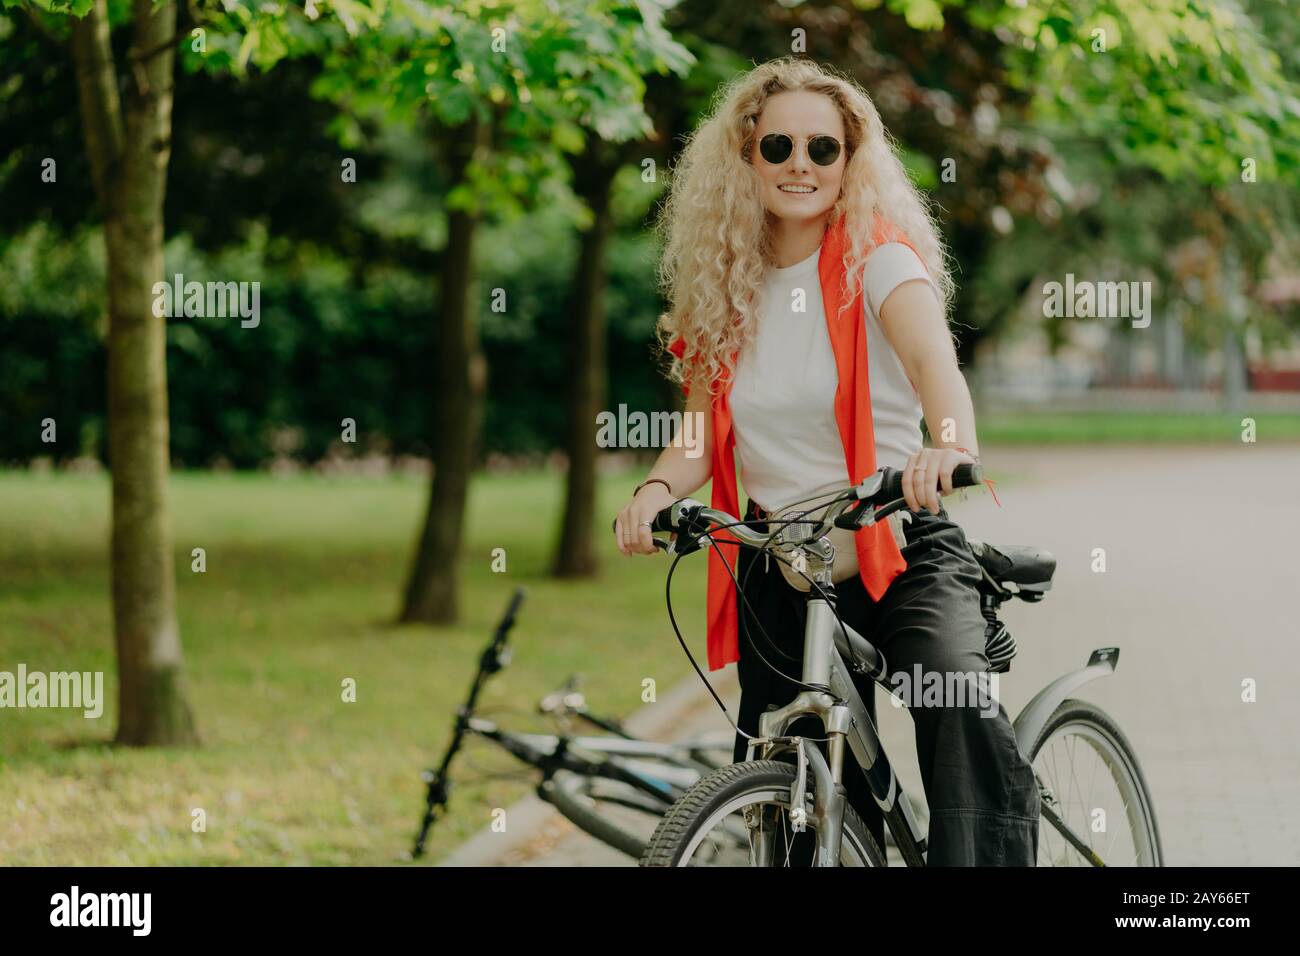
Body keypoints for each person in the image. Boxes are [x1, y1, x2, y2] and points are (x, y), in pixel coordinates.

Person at [613, 57, 1039, 865]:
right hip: (785, 562)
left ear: (851, 159)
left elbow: (936, 373)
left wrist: (948, 448)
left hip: (897, 543)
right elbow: (700, 438)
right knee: (785, 774)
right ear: (745, 157)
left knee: (951, 698)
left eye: (823, 147)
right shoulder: (722, 288)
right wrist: (654, 490)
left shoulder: (878, 260)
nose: (800, 165)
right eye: (778, 147)